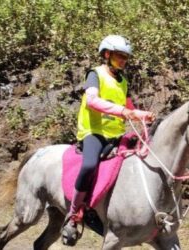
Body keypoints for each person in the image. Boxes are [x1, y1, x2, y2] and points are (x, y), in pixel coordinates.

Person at [62, 35, 155, 244]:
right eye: (119, 56)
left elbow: (129, 108)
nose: (123, 60)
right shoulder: (95, 74)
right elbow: (93, 100)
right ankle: (74, 214)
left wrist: (143, 116)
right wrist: (125, 112)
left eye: (126, 57)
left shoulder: (123, 82)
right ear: (107, 54)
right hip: (93, 133)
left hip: (116, 136)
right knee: (88, 165)